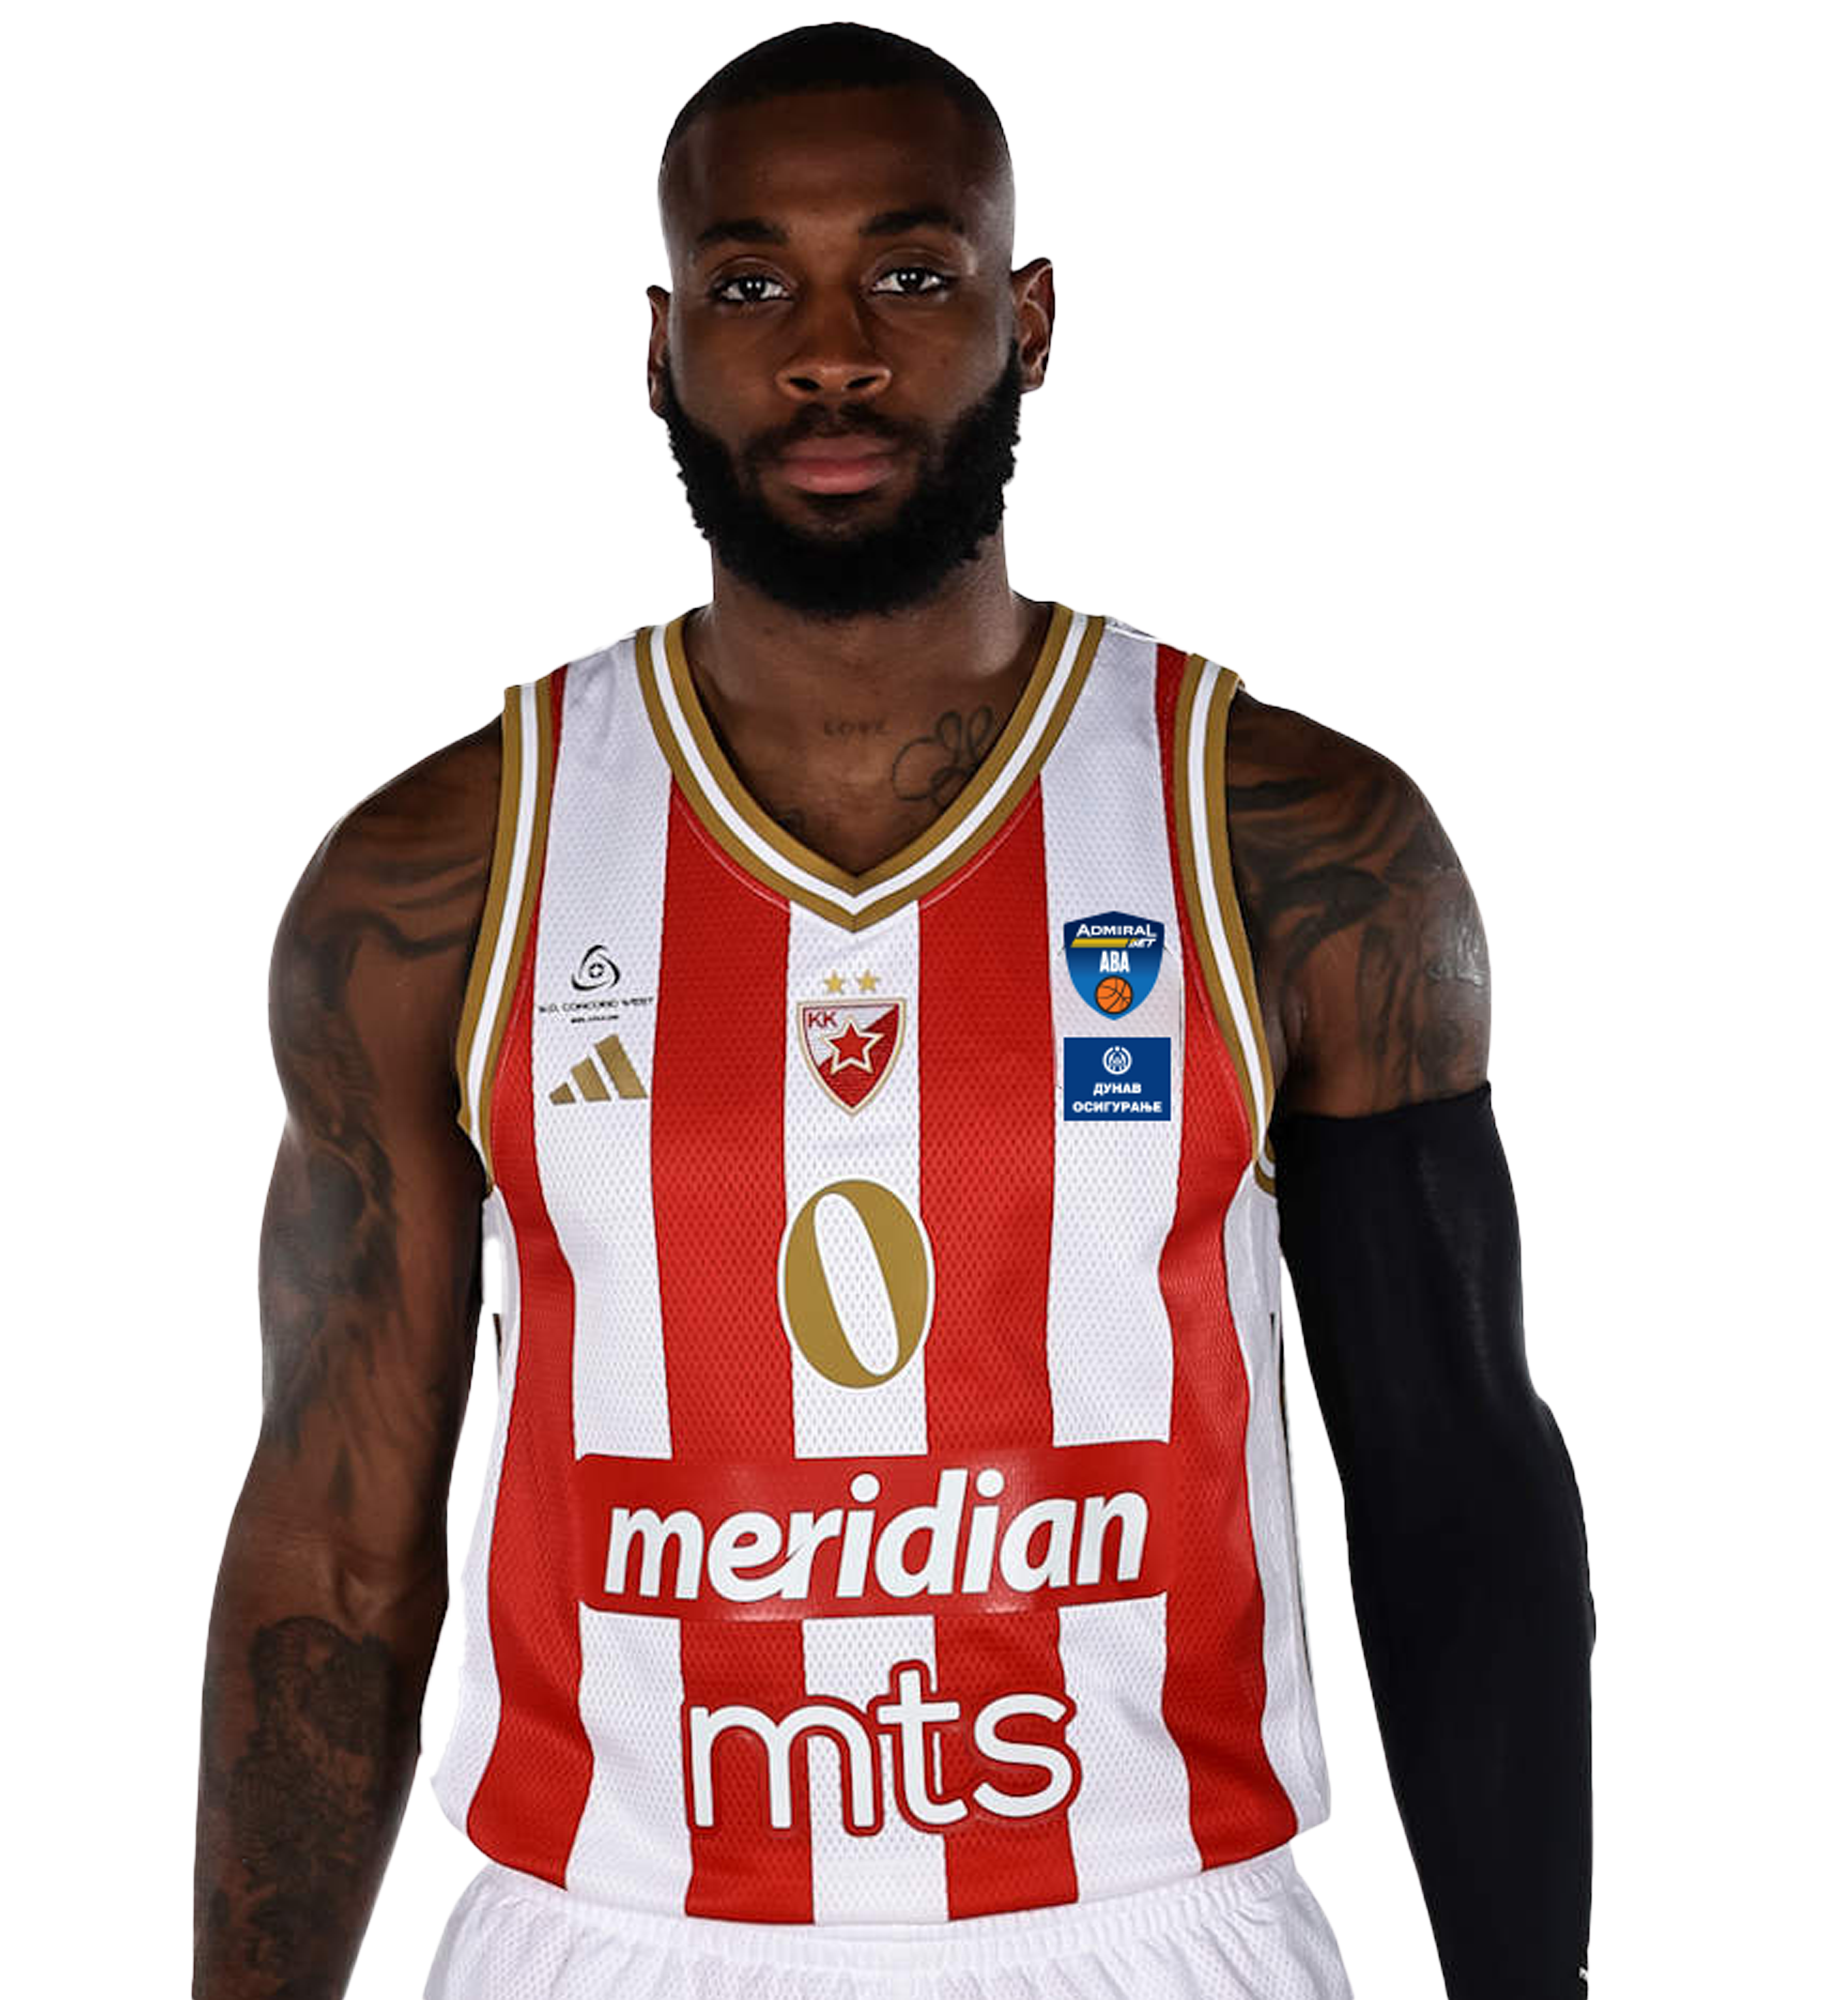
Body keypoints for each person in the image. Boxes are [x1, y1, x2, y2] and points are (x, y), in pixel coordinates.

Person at [194, 24, 1593, 2000]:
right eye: (751, 283)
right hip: (606, 1937)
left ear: (1031, 318)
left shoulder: (1288, 832)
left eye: (912, 274)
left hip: (1162, 1931)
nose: (831, 353)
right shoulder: (443, 865)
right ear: (659, 346)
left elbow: (1451, 1491)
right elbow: (338, 1541)